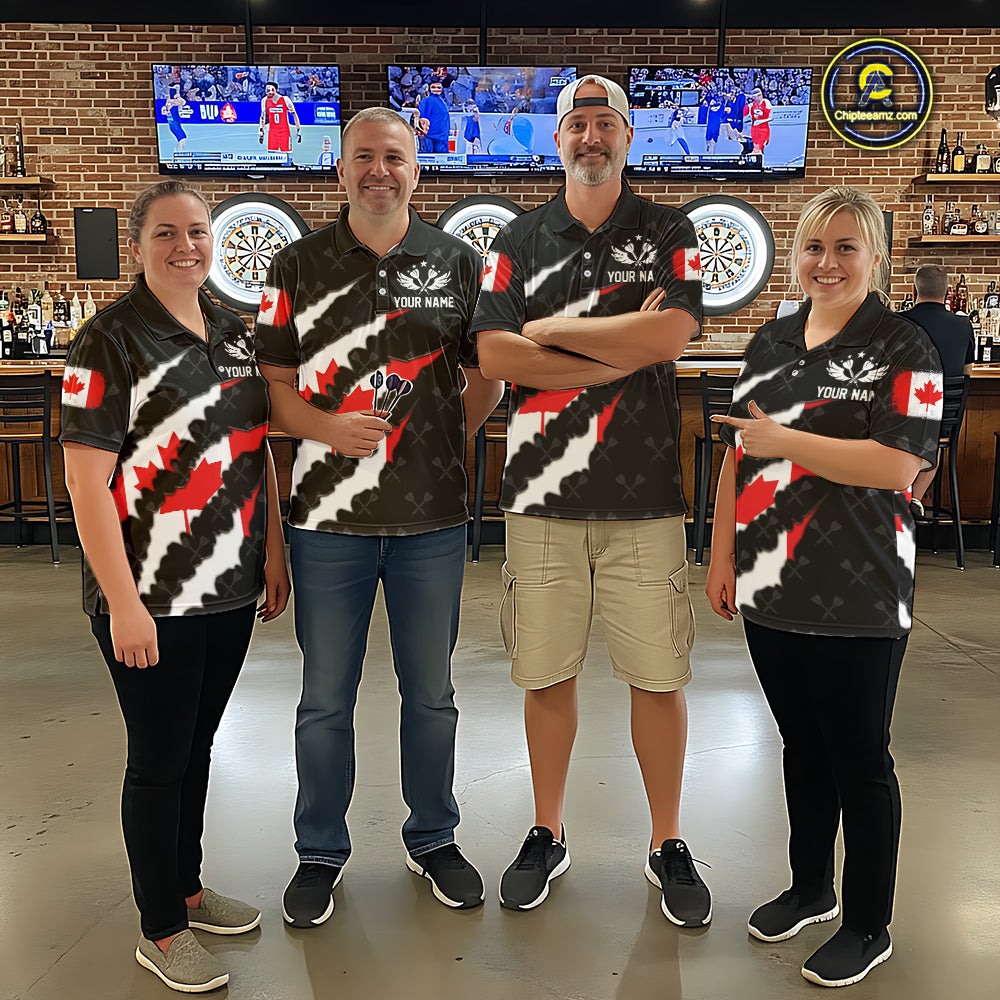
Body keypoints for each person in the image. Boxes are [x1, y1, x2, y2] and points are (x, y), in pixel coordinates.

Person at [254, 107, 503, 927]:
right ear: (340, 169)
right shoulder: (295, 265)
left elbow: (488, 377)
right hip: (325, 524)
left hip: (432, 521)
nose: (378, 170)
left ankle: (434, 837)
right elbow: (271, 393)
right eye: (363, 156)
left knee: (430, 694)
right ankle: (319, 851)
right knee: (325, 699)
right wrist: (328, 430)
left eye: (394, 156)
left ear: (416, 169)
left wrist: (442, 440)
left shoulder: (460, 262)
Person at [472, 75, 711, 925]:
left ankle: (667, 840)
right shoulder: (516, 237)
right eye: (577, 122)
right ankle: (548, 830)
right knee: (546, 674)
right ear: (558, 140)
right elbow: (495, 356)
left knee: (659, 676)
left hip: (645, 498)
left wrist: (550, 330)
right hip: (541, 496)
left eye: (606, 121)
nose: (591, 135)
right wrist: (619, 352)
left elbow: (672, 333)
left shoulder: (670, 229)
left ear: (628, 137)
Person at [706, 186, 943, 988]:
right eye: (814, 246)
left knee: (859, 759)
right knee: (801, 747)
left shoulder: (906, 347)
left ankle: (867, 922)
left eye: (846, 247)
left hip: (862, 587)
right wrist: (722, 555)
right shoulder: (771, 341)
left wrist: (788, 441)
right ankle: (810, 887)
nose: (828, 262)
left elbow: (898, 464)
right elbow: (739, 453)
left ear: (877, 257)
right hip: (773, 581)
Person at [60, 179, 290, 993]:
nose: (185, 246)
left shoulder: (231, 331)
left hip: (228, 587)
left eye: (197, 231)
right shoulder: (108, 340)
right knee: (158, 760)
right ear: (136, 246)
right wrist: (124, 602)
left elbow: (256, 442)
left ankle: (187, 889)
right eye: (166, 233)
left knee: (198, 747)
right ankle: (160, 928)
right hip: (151, 596)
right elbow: (86, 484)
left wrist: (272, 552)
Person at [898, 264, 975, 514]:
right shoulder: (963, 326)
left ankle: (898, 498)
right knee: (933, 434)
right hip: (943, 422)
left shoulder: (898, 323)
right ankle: (914, 499)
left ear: (914, 290)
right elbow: (967, 373)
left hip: (900, 422)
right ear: (947, 293)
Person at [259, 81, 301, 153]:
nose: (270, 92)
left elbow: (294, 114)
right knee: (271, 153)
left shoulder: (285, 99)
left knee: (286, 153)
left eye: (272, 90)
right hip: (272, 132)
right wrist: (261, 132)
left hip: (284, 131)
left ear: (276, 90)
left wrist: (298, 129)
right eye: (268, 90)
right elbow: (263, 116)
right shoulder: (264, 100)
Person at [418, 80, 450, 153]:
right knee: (441, 158)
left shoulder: (426, 101)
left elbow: (421, 118)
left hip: (430, 136)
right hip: (441, 136)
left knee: (426, 157)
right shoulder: (442, 102)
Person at [746, 86, 772, 155]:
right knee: (755, 145)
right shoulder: (752, 105)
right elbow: (750, 116)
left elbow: (768, 114)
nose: (758, 98)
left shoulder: (766, 102)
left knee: (762, 144)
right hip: (755, 127)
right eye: (755, 97)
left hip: (763, 127)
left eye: (759, 95)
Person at [163, 85, 187, 158]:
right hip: (174, 124)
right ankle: (177, 153)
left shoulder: (174, 102)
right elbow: (176, 102)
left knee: (182, 139)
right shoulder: (170, 103)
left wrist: (177, 91)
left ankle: (177, 153)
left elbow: (182, 102)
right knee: (182, 139)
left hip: (174, 123)